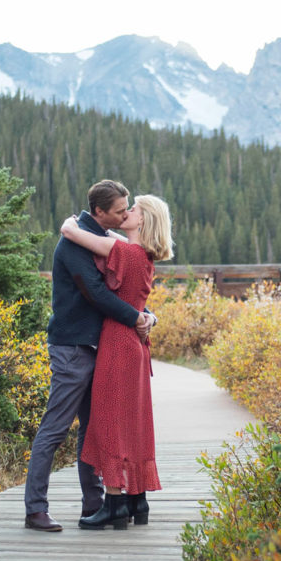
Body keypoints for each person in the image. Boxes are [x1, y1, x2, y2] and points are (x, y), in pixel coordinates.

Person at [23, 180, 155, 532]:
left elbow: (126, 286)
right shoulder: (74, 241)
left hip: (101, 348)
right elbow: (97, 293)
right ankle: (35, 509)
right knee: (55, 428)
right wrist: (138, 319)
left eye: (129, 208)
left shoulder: (108, 240)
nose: (125, 214)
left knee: (93, 430)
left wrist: (146, 314)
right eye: (119, 211)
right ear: (99, 212)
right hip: (72, 348)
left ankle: (96, 503)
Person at [60, 194, 174, 530]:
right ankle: (138, 500)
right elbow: (114, 239)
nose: (127, 211)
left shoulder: (125, 253)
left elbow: (74, 234)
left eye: (134, 209)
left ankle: (114, 503)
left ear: (143, 220)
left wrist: (69, 224)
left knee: (108, 419)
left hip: (118, 341)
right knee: (134, 421)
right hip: (135, 344)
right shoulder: (141, 253)